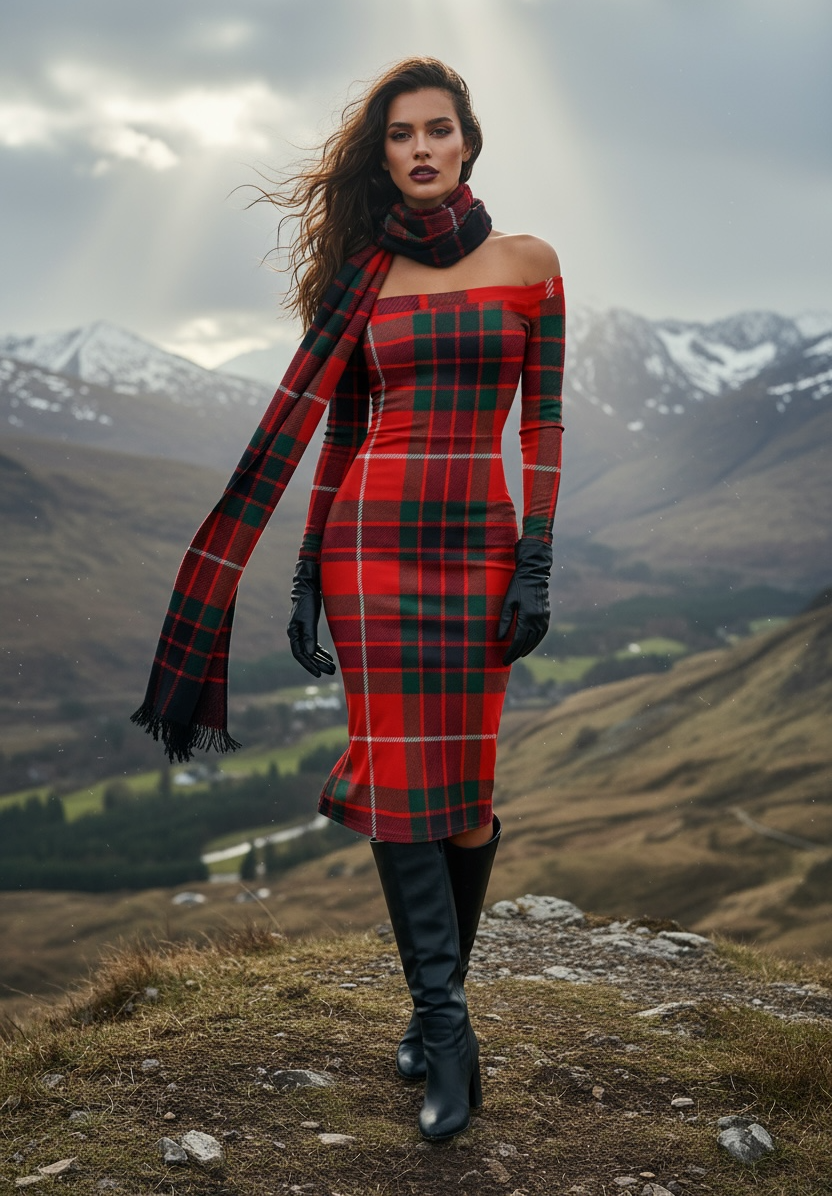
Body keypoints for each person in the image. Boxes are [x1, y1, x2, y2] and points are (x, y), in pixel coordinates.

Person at [132, 57, 564, 1143]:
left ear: (469, 141)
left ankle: (436, 1012)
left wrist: (539, 557)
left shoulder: (530, 266)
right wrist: (306, 567)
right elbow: (338, 434)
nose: (420, 149)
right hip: (371, 550)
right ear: (383, 158)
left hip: (477, 548)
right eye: (399, 136)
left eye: (438, 130)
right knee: (397, 779)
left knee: (462, 796)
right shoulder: (363, 280)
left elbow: (542, 426)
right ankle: (445, 1027)